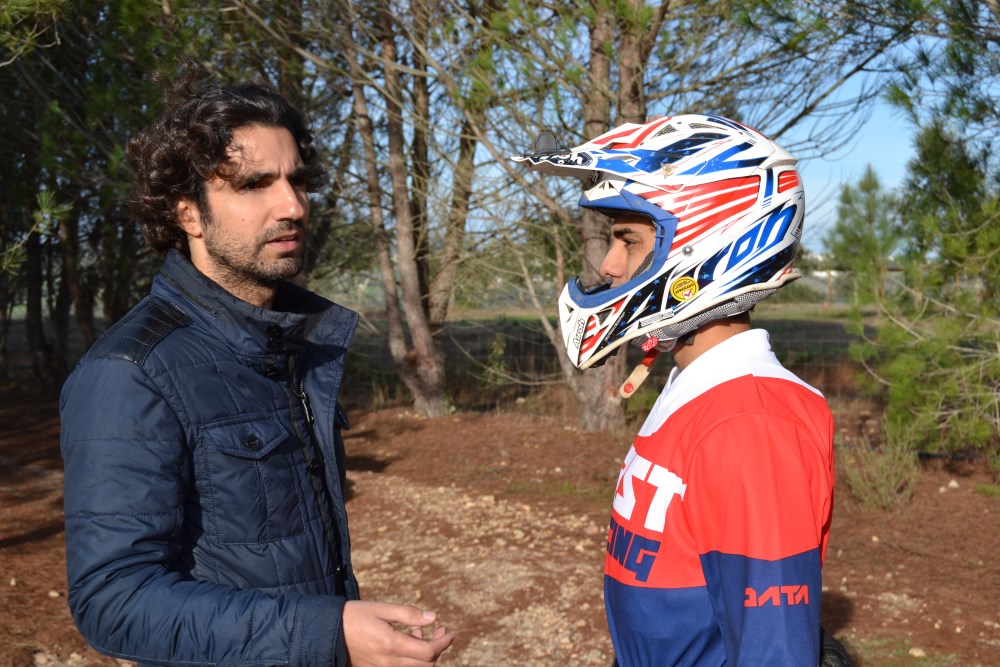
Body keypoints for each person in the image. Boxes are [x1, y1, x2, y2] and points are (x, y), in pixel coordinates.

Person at [60, 70, 454, 667]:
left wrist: (333, 636)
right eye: (254, 185)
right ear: (188, 214)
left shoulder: (283, 346)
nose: (292, 205)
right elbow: (114, 600)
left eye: (297, 180)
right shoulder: (130, 371)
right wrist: (325, 632)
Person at [513, 114, 848, 665]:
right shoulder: (697, 388)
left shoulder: (751, 424)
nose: (609, 264)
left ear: (703, 247)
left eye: (629, 241)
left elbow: (772, 650)